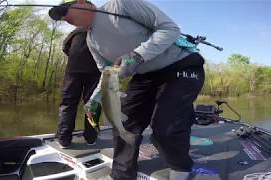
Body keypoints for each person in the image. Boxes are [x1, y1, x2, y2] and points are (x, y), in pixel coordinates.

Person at [49, 0, 205, 179]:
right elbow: (107, 74)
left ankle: (180, 167)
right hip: (145, 75)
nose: (64, 18)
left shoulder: (120, 5)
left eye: (65, 9)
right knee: (124, 122)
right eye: (62, 19)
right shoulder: (91, 41)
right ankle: (121, 174)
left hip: (180, 65)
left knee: (166, 126)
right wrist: (94, 99)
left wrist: (138, 55)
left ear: (85, 3)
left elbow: (170, 29)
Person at [56, 27, 101, 149]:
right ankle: (91, 138)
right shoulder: (103, 30)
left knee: (68, 103)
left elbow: (65, 47)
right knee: (93, 105)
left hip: (74, 69)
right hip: (95, 69)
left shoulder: (76, 30)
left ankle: (64, 139)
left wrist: (74, 57)